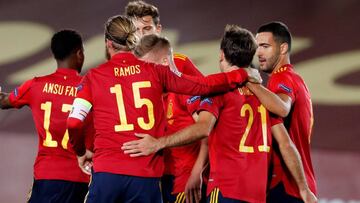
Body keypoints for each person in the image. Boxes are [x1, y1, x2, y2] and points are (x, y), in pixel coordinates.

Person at [67, 15, 261, 203]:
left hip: (106, 175)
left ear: (108, 43)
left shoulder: (92, 77)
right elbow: (203, 85)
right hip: (146, 177)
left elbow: (74, 122)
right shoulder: (157, 72)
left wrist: (81, 151)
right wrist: (240, 74)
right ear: (133, 40)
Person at [122, 25, 316, 203]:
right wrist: (305, 189)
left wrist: (158, 143)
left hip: (225, 188)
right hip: (257, 194)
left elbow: (203, 128)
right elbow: (285, 143)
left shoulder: (218, 91)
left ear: (222, 54)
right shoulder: (264, 98)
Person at [126, 2, 209, 202]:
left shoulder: (179, 64)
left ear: (158, 29)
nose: (142, 35)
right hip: (155, 176)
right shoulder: (129, 72)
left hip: (186, 174)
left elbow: (207, 124)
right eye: (136, 30)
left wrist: (198, 170)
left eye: (147, 28)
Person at [0, 30, 91, 203]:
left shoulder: (35, 85)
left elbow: (3, 101)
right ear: (79, 53)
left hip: (46, 176)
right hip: (79, 178)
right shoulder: (90, 87)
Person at [245, 21, 318, 202]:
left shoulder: (281, 78)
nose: (259, 53)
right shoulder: (297, 79)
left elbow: (283, 108)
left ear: (283, 48)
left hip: (287, 185)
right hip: (300, 184)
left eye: (265, 46)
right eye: (257, 47)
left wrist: (249, 81)